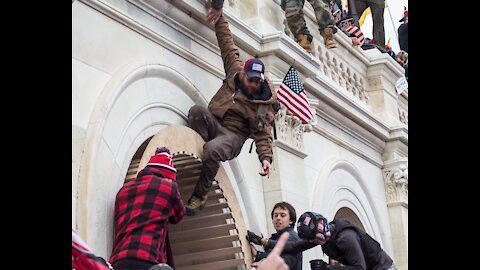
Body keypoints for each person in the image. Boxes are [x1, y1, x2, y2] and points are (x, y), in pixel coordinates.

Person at [186, 3, 279, 216]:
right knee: (197, 111)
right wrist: (218, 15)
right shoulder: (234, 72)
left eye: (258, 81)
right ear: (244, 74)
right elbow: (227, 43)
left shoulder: (263, 105)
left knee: (213, 149)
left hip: (233, 136)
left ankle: (200, 195)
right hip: (214, 120)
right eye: (251, 80)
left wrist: (266, 160)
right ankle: (199, 160)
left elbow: (264, 136)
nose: (254, 85)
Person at [109, 147, 186, 270]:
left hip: (118, 262)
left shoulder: (123, 190)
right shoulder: (169, 187)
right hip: (148, 260)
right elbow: (179, 214)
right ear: (167, 175)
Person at [278, 212, 397, 270]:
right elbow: (294, 246)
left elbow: (359, 268)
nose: (312, 242)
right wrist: (264, 242)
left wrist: (328, 268)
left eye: (312, 239)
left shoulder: (345, 238)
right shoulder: (322, 234)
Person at [246, 202, 302, 270]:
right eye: (275, 215)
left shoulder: (291, 237)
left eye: (282, 215)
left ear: (291, 220)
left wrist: (258, 254)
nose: (278, 218)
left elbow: (282, 263)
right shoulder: (278, 237)